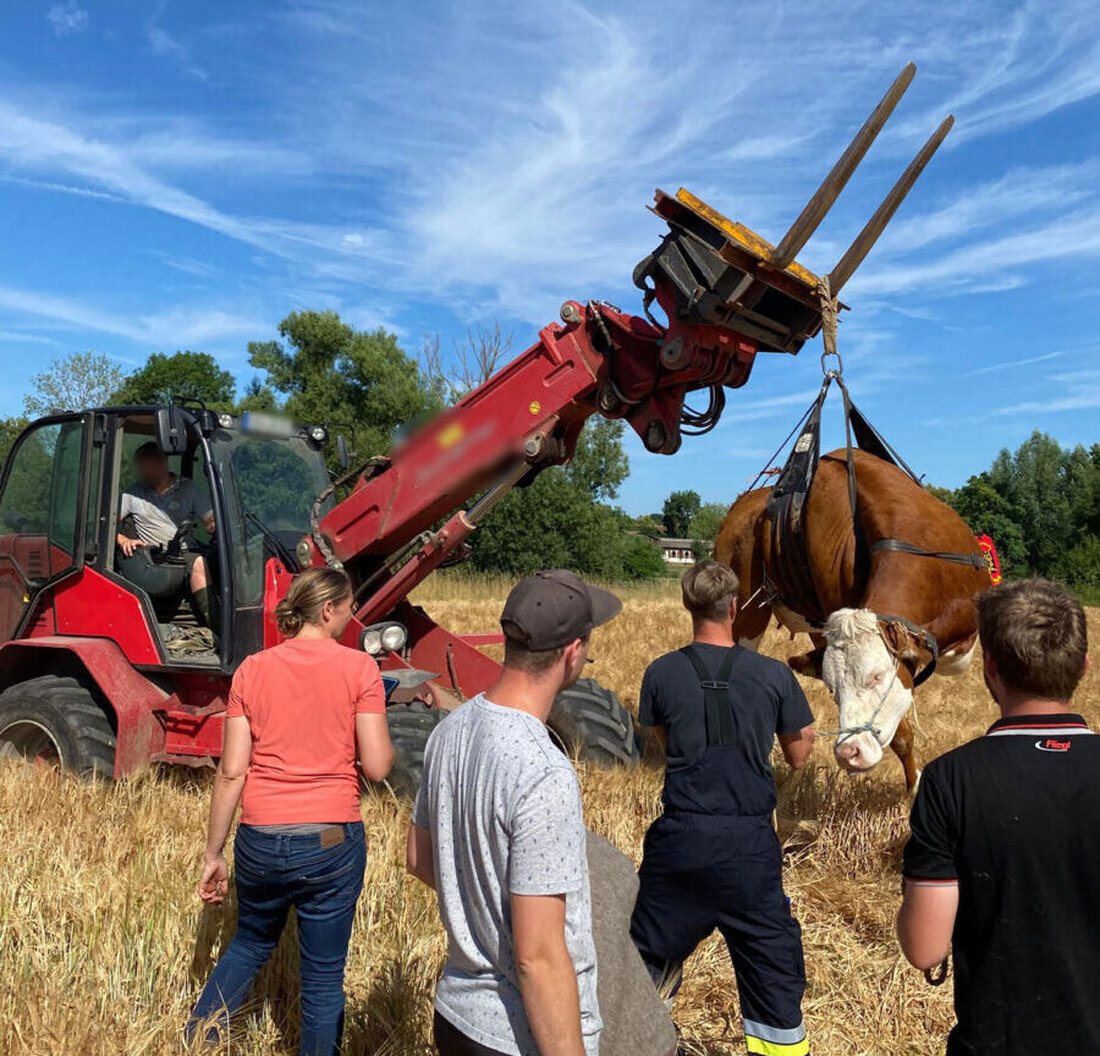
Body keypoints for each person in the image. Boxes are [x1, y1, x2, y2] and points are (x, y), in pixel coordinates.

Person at [406, 569, 621, 1056]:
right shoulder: (544, 769)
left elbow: (420, 858)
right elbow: (539, 958)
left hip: (456, 1017)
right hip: (516, 1035)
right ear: (573, 651)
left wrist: (481, 908)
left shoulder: (449, 730)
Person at [187, 567, 394, 1056]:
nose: (351, 615)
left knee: (250, 943)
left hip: (258, 840)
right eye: (347, 607)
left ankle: (197, 1040)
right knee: (322, 979)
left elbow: (232, 773)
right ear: (327, 610)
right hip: (329, 841)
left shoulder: (251, 670)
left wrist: (213, 852)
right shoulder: (360, 669)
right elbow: (380, 767)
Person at [897, 578, 1095, 1056]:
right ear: (1084, 667)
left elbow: (925, 949)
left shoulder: (949, 780)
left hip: (998, 1039)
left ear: (989, 670)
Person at [630, 559, 815, 1056]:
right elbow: (799, 759)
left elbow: (670, 747)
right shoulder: (775, 675)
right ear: (734, 607)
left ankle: (637, 1041)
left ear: (688, 605)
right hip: (750, 844)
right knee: (772, 965)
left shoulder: (661, 673)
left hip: (681, 838)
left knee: (645, 957)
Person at [117, 440, 219, 629]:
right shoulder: (133, 493)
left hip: (185, 549)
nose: (142, 472)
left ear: (162, 464)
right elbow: (104, 524)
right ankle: (218, 628)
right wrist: (122, 539)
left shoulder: (189, 488)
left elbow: (210, 519)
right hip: (153, 556)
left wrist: (214, 525)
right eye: (141, 467)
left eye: (146, 467)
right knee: (198, 563)